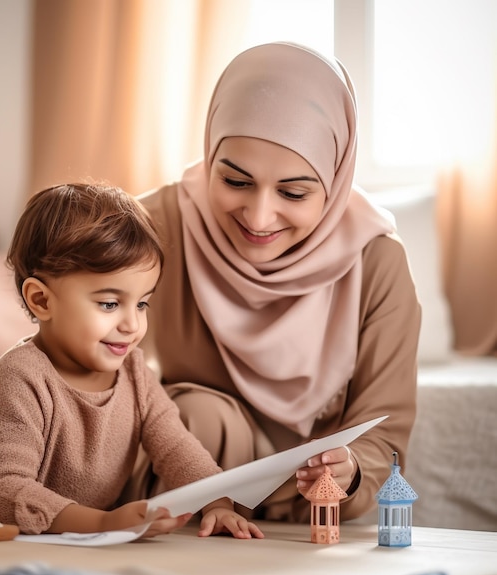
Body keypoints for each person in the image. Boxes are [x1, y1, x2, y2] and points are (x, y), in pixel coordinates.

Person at [128, 42, 421, 523]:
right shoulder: (154, 225)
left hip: (305, 512)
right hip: (170, 498)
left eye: (294, 191)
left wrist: (348, 469)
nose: (259, 216)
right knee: (200, 416)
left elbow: (383, 438)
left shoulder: (377, 263)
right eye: (236, 182)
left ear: (334, 179)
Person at [0, 182, 264, 539]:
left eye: (142, 303)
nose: (132, 324)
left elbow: (176, 447)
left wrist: (216, 502)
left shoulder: (135, 371)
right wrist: (102, 523)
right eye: (109, 304)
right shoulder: (20, 377)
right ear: (42, 301)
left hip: (75, 535)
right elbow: (4, 491)